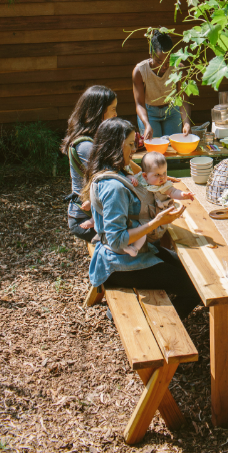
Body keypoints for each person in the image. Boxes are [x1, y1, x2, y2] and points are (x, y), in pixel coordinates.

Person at [81, 117, 200, 318]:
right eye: (129, 144)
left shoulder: (115, 171)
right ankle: (164, 330)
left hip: (132, 253)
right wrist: (157, 222)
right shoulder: (114, 187)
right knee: (195, 288)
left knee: (190, 271)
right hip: (119, 264)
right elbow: (116, 240)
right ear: (115, 146)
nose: (134, 149)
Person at [61, 85, 118, 242]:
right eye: (113, 109)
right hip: (84, 219)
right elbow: (109, 180)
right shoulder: (86, 146)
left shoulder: (97, 138)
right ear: (99, 112)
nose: (116, 114)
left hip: (97, 214)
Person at [122, 151, 194, 257]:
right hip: (141, 222)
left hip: (154, 222)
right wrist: (130, 177)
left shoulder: (163, 185)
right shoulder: (139, 179)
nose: (162, 177)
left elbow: (173, 192)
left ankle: (138, 249)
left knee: (148, 238)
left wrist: (183, 194)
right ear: (145, 176)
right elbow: (127, 182)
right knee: (139, 233)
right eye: (157, 174)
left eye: (164, 173)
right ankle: (133, 248)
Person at [133, 29, 192, 141]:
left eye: (168, 61)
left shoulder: (179, 69)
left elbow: (183, 99)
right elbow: (139, 104)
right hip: (149, 113)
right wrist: (146, 125)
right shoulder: (140, 71)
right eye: (159, 62)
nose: (164, 66)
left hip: (172, 111)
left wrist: (187, 123)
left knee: (174, 151)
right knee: (155, 151)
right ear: (151, 54)